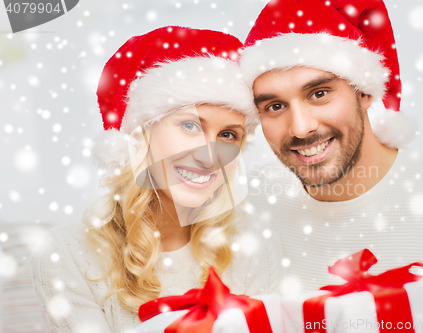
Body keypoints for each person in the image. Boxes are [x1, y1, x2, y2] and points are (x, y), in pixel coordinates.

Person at [239, 0, 423, 327]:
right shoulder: (248, 207)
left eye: (319, 93)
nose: (301, 127)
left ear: (364, 92)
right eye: (275, 106)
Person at [30, 26, 283, 333]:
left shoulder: (252, 244)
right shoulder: (64, 252)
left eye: (228, 135)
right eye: (190, 126)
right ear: (140, 136)